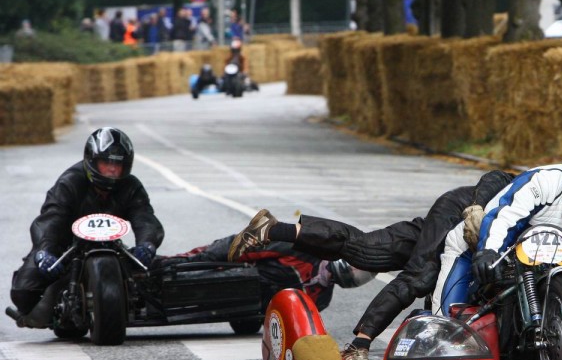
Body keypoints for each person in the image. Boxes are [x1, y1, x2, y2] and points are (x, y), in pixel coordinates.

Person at [226, 170, 517, 360]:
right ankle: (359, 345)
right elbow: (499, 176)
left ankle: (274, 230)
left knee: (369, 251)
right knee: (421, 276)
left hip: (459, 220)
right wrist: (477, 208)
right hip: (460, 212)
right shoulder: (551, 181)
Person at [432, 132, 562, 317]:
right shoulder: (545, 182)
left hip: (532, 268)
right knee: (447, 323)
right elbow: (504, 219)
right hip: (474, 249)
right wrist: (488, 251)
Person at [10, 128, 164, 323]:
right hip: (66, 248)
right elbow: (50, 219)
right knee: (23, 292)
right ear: (91, 160)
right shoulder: (70, 183)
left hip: (112, 247)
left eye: (118, 164)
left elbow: (145, 218)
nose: (113, 170)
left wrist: (147, 244)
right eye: (106, 162)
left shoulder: (131, 186)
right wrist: (44, 252)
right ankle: (54, 303)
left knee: (153, 276)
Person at [155, 236, 375, 312]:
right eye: (358, 270)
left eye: (362, 277)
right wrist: (201, 259)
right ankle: (156, 269)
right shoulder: (300, 249)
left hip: (247, 306)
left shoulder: (321, 299)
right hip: (231, 270)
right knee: (188, 267)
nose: (356, 277)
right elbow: (244, 246)